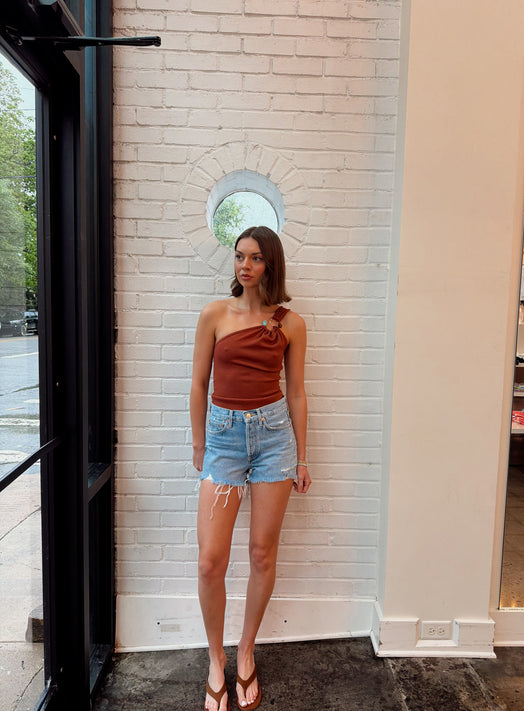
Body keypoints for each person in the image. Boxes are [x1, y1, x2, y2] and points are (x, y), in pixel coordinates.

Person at [190, 226, 311, 711]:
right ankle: (215, 658)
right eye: (240, 256)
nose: (245, 265)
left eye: (256, 258)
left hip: (274, 440)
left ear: (270, 264)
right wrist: (200, 443)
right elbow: (199, 383)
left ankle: (245, 652)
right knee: (209, 561)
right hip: (223, 440)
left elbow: (296, 392)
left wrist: (302, 457)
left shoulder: (291, 323)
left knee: (262, 553)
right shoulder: (214, 315)